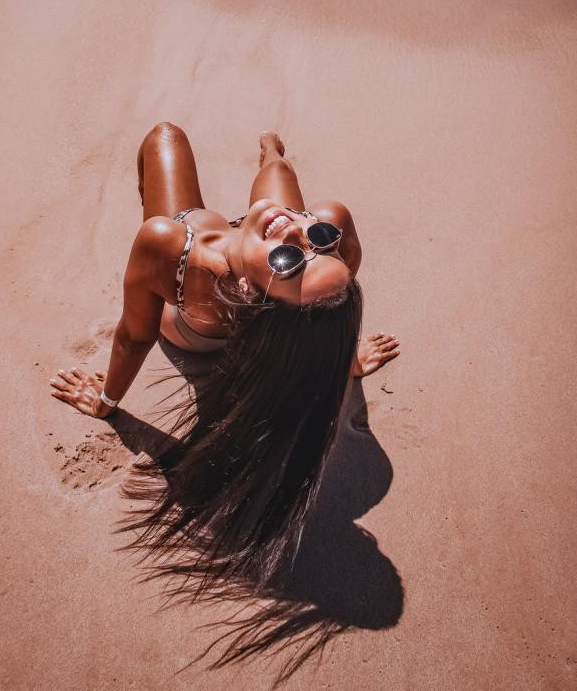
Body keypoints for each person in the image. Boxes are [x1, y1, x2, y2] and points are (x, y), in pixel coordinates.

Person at [50, 122, 401, 590]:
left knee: (164, 138)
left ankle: (251, 182)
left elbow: (134, 338)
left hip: (195, 331)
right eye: (317, 241)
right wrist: (347, 362)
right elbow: (331, 305)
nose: (296, 232)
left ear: (247, 294)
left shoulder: (173, 250)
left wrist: (105, 402)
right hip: (260, 293)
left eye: (289, 261)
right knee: (280, 173)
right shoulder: (324, 226)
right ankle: (269, 147)